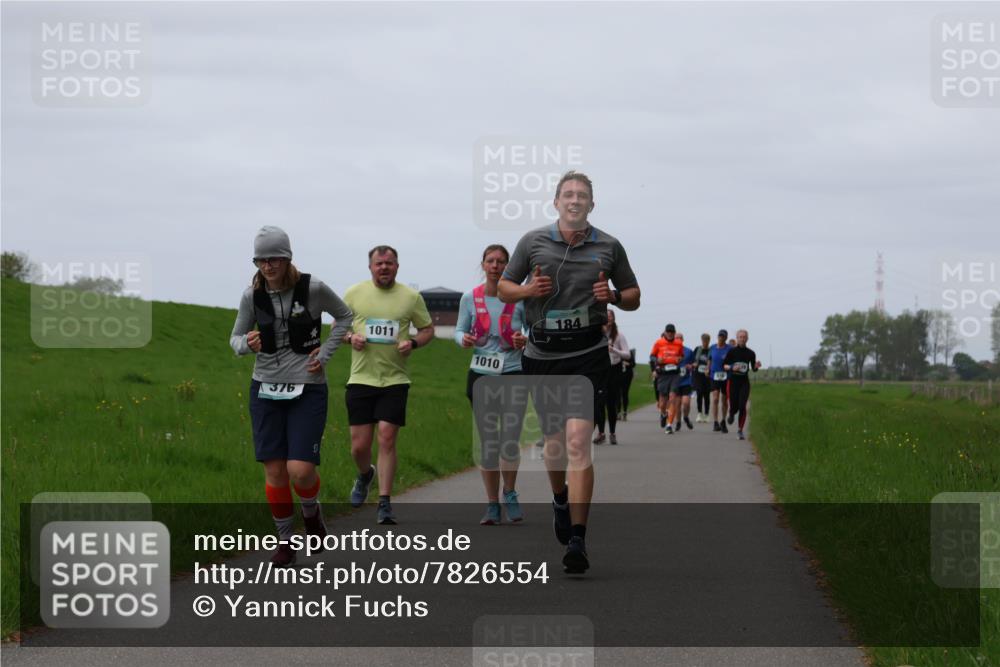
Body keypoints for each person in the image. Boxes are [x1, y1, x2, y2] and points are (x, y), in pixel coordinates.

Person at [499, 170, 640, 574]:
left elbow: (634, 296)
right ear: (556, 202)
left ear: (592, 204)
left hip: (588, 354)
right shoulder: (532, 242)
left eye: (582, 195)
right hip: (543, 355)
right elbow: (505, 287)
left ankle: (578, 538)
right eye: (568, 194)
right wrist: (528, 291)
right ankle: (559, 498)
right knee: (555, 443)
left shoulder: (609, 246)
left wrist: (613, 295)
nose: (575, 200)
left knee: (579, 442)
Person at [230, 226, 354, 567]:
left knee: (299, 470)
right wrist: (247, 344)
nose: (267, 266)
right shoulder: (252, 296)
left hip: (307, 388)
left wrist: (325, 353)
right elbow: (235, 339)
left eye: (274, 259)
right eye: (261, 260)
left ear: (287, 259)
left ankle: (312, 515)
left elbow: (345, 316)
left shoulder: (312, 288)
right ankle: (285, 541)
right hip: (264, 388)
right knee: (275, 471)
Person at [342, 246, 435, 525]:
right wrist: (350, 338)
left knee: (386, 437)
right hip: (361, 379)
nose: (384, 267)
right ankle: (365, 475)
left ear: (397, 266)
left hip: (395, 380)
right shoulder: (354, 293)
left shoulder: (410, 297)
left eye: (389, 263)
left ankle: (384, 502)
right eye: (379, 263)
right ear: (370, 267)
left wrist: (413, 343)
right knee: (359, 447)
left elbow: (427, 329)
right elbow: (338, 326)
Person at [455, 244, 528, 525]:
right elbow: (459, 329)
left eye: (501, 262)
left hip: (513, 372)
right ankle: (492, 504)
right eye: (491, 261)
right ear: (483, 265)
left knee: (509, 439)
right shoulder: (469, 298)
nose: (495, 266)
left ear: (508, 266)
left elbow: (532, 329)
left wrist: (524, 339)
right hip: (481, 374)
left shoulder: (520, 298)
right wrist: (463, 339)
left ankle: (509, 492)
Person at [594, 309, 630, 445]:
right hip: (600, 370)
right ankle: (601, 433)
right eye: (606, 316)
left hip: (614, 370)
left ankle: (612, 433)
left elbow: (627, 354)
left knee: (611, 403)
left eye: (610, 316)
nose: (608, 318)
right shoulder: (597, 335)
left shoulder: (619, 336)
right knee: (599, 402)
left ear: (613, 319)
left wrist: (613, 349)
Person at [723, 329, 763, 440]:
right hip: (733, 382)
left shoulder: (751, 353)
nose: (742, 339)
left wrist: (756, 366)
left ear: (747, 339)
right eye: (740, 337)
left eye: (744, 337)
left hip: (744, 383)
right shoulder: (732, 352)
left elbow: (753, 368)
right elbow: (724, 365)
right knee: (734, 407)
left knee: (742, 406)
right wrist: (732, 367)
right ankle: (731, 413)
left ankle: (740, 430)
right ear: (737, 338)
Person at [649, 324, 684, 434]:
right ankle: (663, 414)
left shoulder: (679, 343)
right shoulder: (658, 343)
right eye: (668, 332)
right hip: (663, 374)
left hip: (675, 374)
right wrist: (657, 361)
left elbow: (681, 356)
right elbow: (652, 356)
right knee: (662, 403)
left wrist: (679, 359)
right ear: (665, 332)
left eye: (671, 332)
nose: (670, 334)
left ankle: (669, 425)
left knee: (672, 398)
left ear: (674, 333)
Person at [708, 329, 732, 433]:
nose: (721, 338)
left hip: (726, 376)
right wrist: (707, 369)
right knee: (715, 399)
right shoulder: (712, 347)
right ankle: (715, 422)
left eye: (723, 336)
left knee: (724, 400)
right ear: (717, 337)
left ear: (726, 338)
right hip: (714, 376)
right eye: (720, 336)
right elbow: (709, 359)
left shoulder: (730, 348)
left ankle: (723, 421)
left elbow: (734, 359)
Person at [674, 333, 695, 431]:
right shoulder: (671, 351)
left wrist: (691, 366)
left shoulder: (688, 351)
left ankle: (686, 417)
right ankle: (678, 422)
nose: (678, 339)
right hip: (676, 381)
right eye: (676, 338)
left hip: (686, 381)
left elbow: (694, 363)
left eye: (680, 338)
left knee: (686, 403)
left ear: (683, 340)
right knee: (677, 404)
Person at [691, 334, 713, 423]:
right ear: (701, 340)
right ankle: (699, 413)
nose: (705, 342)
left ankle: (707, 414)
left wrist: (709, 368)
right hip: (698, 375)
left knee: (706, 395)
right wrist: (694, 364)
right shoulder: (697, 349)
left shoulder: (711, 350)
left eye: (707, 340)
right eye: (704, 340)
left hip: (707, 375)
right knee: (699, 393)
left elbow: (713, 361)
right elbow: (692, 360)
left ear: (709, 341)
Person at [620, 347, 635, 421]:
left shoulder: (629, 352)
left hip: (627, 375)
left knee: (624, 393)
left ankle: (625, 412)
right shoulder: (615, 351)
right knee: (617, 394)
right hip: (617, 375)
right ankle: (618, 412)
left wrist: (627, 363)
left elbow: (633, 364)